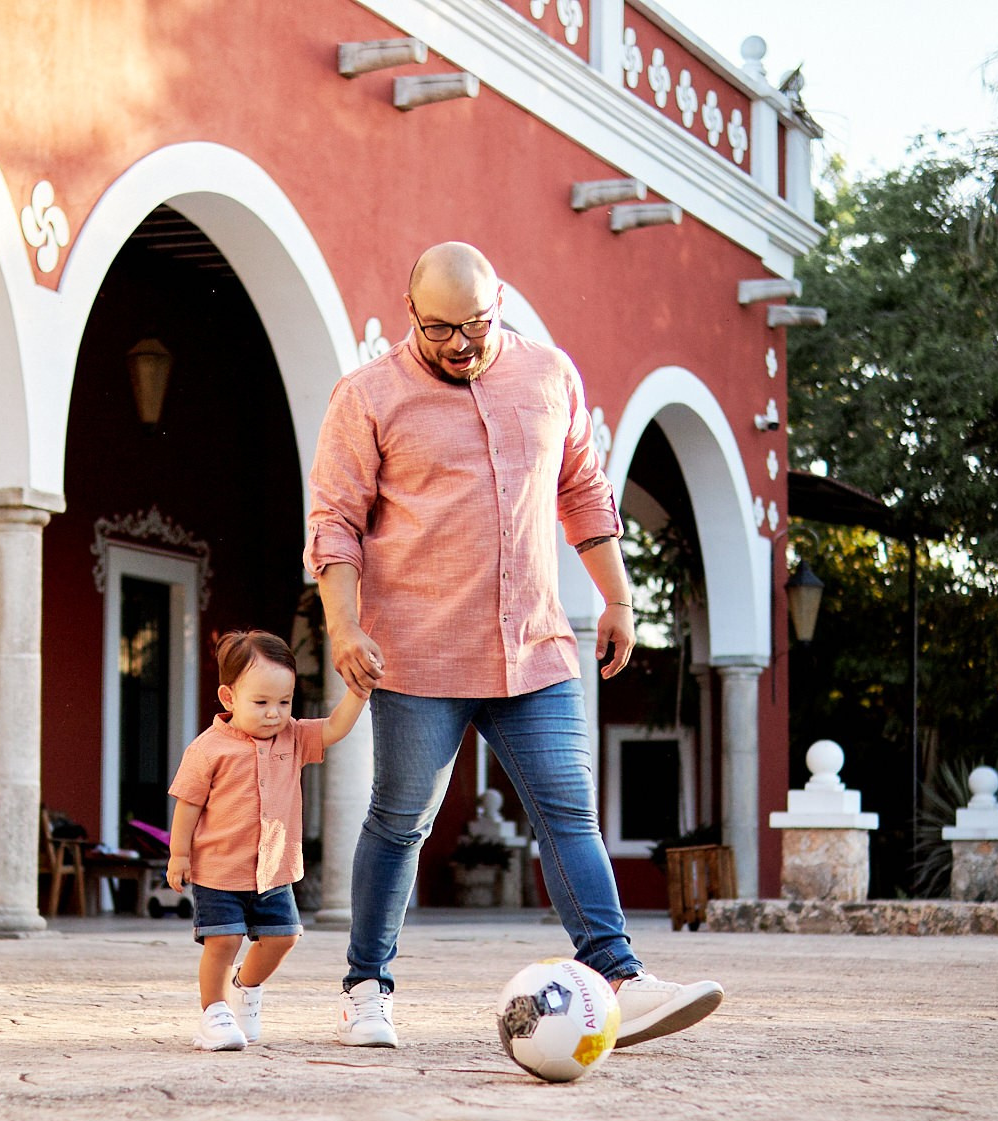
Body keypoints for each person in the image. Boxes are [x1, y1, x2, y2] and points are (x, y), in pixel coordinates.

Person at [306, 240, 724, 1050]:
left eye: (476, 324)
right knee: (400, 821)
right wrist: (343, 623)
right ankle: (366, 984)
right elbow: (335, 521)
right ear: (409, 312)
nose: (460, 343)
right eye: (439, 330)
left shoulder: (548, 374)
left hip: (532, 647)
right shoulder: (367, 396)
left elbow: (580, 488)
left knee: (569, 812)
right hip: (420, 655)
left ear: (497, 304)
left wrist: (618, 597)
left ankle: (621, 978)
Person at [168, 630, 367, 1051]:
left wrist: (357, 693)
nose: (274, 713)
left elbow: (333, 727)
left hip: (274, 868)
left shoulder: (293, 737)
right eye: (261, 703)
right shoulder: (208, 749)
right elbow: (187, 805)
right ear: (228, 697)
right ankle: (214, 1013)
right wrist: (179, 854)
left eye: (284, 701)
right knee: (223, 940)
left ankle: (245, 985)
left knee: (283, 937)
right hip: (218, 867)